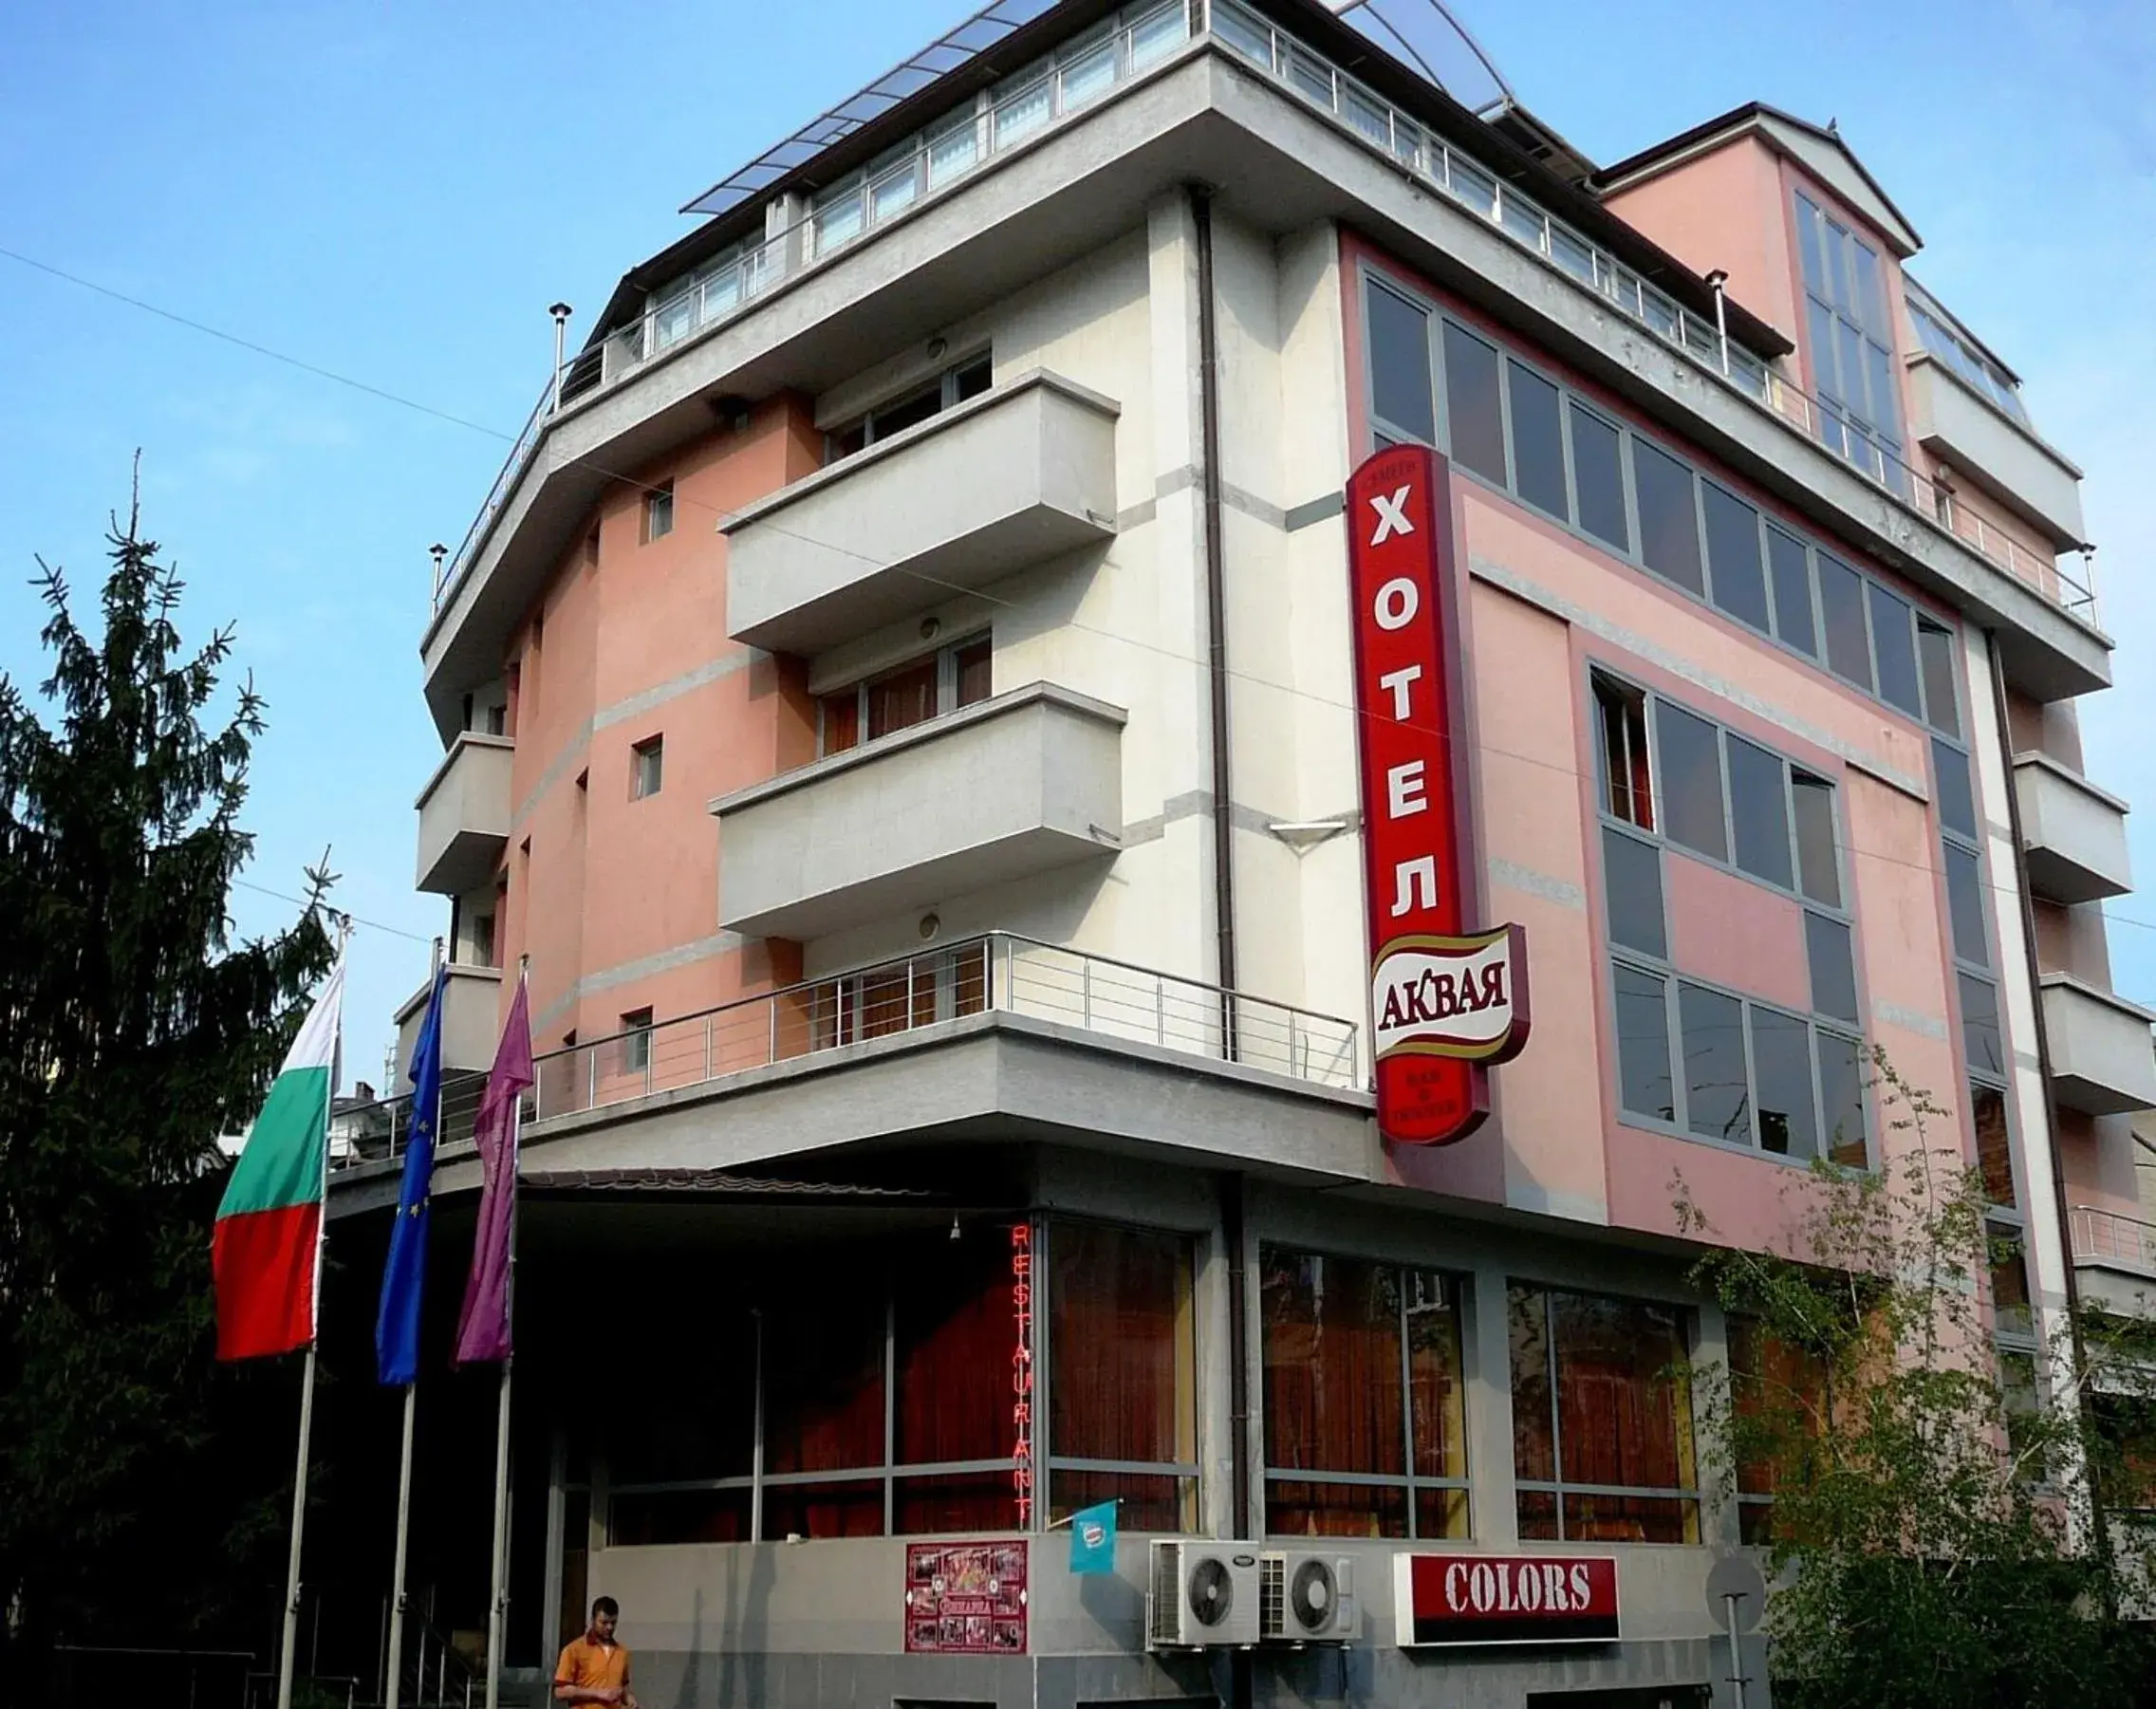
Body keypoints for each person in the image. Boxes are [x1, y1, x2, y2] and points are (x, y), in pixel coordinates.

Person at [554, 1595, 639, 1709]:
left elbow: (623, 1686)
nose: (609, 1627)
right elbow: (560, 1692)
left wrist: (629, 1698)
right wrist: (597, 1693)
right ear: (593, 1620)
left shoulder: (621, 1652)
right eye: (604, 1623)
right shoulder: (574, 1650)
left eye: (613, 1623)